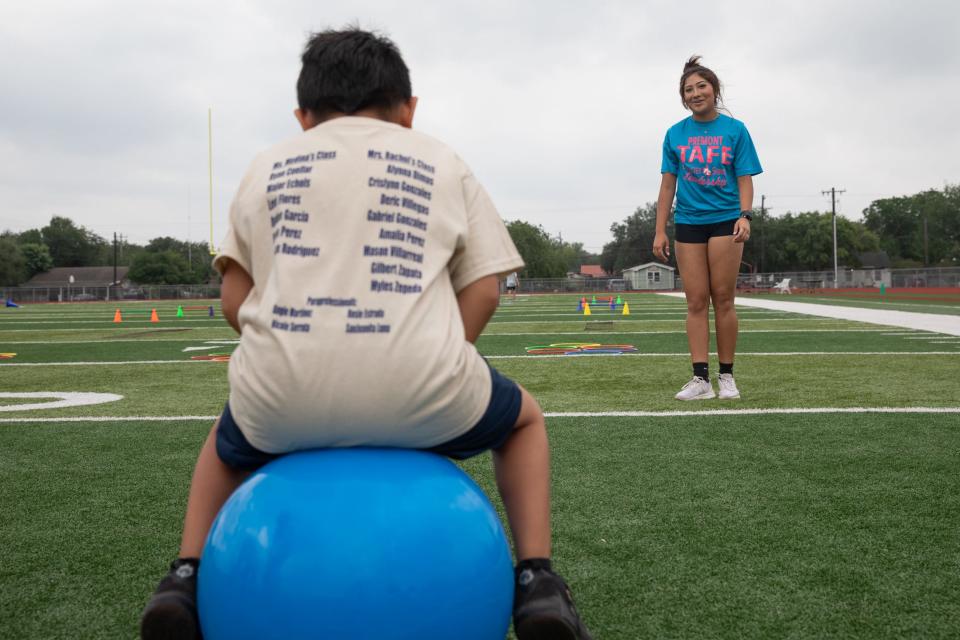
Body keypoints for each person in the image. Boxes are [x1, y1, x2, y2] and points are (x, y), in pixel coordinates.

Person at [139, 28, 592, 640]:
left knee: (225, 440)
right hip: (425, 386)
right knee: (525, 422)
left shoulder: (265, 165)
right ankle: (537, 581)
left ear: (303, 116)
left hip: (280, 396)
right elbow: (484, 288)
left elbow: (233, 299)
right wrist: (437, 357)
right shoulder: (442, 157)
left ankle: (185, 576)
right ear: (408, 109)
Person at [652, 56, 762, 401]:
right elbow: (667, 186)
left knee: (723, 299)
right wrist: (659, 230)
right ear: (683, 98)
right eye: (689, 89)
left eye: (702, 86)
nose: (696, 93)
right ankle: (700, 379)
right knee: (695, 301)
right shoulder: (674, 134)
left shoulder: (736, 130)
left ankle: (726, 377)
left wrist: (745, 215)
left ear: (715, 90)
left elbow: (745, 179)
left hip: (725, 221)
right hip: (688, 222)